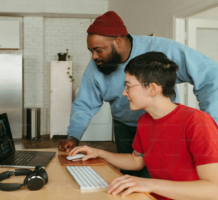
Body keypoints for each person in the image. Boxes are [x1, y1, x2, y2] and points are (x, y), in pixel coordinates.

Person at [58, 11, 218, 178]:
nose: (93, 56)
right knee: (131, 175)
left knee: (166, 173)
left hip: (165, 125)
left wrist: (211, 127)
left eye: (99, 50)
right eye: (91, 50)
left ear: (118, 41)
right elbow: (84, 104)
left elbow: (211, 75)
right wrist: (75, 137)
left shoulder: (163, 50)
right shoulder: (97, 66)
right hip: (130, 126)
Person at [68, 52, 218, 200]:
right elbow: (136, 162)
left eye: (128, 86)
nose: (124, 93)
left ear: (152, 89)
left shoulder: (197, 123)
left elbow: (214, 189)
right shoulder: (145, 121)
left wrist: (150, 184)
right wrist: (100, 153)